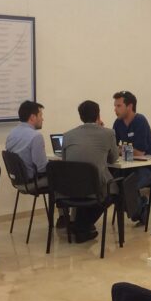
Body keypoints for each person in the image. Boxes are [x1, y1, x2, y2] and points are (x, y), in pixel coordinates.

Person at [61, 100, 119, 243]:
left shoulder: (67, 135)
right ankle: (83, 226)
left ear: (80, 116)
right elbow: (113, 159)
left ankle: (80, 225)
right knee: (115, 191)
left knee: (87, 190)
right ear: (98, 115)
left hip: (71, 188)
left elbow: (65, 161)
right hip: (96, 187)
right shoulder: (108, 133)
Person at [5, 100, 68, 227]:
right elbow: (41, 168)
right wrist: (55, 165)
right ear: (33, 117)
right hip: (31, 182)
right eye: (41, 115)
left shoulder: (12, 134)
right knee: (64, 178)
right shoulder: (35, 136)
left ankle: (64, 218)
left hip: (18, 181)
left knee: (57, 175)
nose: (42, 119)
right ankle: (65, 218)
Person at [111, 90, 151, 223]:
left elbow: (140, 153)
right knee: (113, 185)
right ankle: (140, 208)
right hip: (128, 167)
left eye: (119, 106)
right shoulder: (118, 123)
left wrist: (120, 149)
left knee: (126, 186)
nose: (115, 109)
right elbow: (113, 147)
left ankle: (139, 208)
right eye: (115, 106)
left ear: (129, 106)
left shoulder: (140, 121)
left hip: (146, 168)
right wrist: (123, 150)